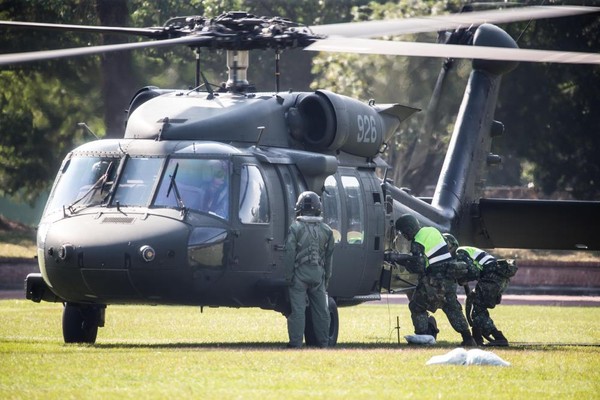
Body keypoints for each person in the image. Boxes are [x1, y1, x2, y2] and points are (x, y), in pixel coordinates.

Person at [385, 214, 476, 346]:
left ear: (409, 229)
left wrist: (398, 259)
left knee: (417, 306)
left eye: (404, 232)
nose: (404, 236)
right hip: (449, 278)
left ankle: (424, 337)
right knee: (452, 308)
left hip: (435, 281)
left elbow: (418, 267)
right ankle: (468, 338)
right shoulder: (432, 231)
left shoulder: (418, 241)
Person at [443, 233, 517, 347]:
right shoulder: (463, 251)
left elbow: (474, 272)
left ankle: (499, 338)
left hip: (492, 278)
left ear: (451, 246)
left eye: (446, 248)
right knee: (477, 308)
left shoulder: (460, 253)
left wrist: (462, 278)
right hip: (497, 278)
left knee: (478, 312)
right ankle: (478, 339)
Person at [284, 191, 335, 349]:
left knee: (298, 310)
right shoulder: (327, 230)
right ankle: (324, 343)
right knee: (321, 311)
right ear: (318, 208)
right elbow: (329, 258)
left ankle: (296, 343)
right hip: (318, 275)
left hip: (299, 276)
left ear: (299, 208)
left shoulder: (295, 228)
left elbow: (289, 253)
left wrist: (288, 277)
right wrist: (326, 278)